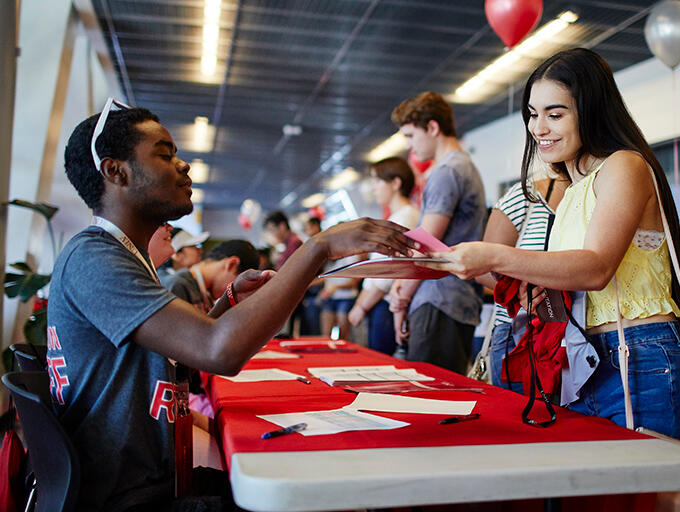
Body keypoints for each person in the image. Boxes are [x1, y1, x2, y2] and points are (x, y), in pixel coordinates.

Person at [49, 103, 415, 511]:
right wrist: (319, 247)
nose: (183, 165)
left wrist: (228, 302)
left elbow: (180, 355)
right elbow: (218, 350)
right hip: (131, 499)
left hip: (156, 480)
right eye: (165, 155)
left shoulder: (124, 256)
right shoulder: (93, 258)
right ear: (116, 171)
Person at [420, 48, 680, 444]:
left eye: (555, 114)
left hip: (640, 358)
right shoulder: (574, 190)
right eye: (533, 114)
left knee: (661, 493)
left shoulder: (625, 164)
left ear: (590, 111)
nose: (538, 127)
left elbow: (596, 267)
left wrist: (495, 255)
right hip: (586, 356)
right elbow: (573, 273)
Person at [388, 91, 487, 374]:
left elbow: (426, 244)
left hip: (440, 298)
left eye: (410, 135)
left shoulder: (447, 171)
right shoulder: (464, 166)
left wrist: (401, 296)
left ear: (432, 128)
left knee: (431, 398)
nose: (409, 146)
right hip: (454, 298)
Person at [475, 174, 568, 390]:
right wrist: (519, 291)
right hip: (520, 337)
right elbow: (482, 267)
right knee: (521, 419)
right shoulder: (526, 196)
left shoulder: (597, 195)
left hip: (578, 339)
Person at [348, 157, 420, 355]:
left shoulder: (405, 217)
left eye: (378, 181)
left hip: (386, 305)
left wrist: (361, 306)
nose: (373, 188)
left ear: (396, 183)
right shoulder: (398, 216)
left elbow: (387, 273)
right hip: (381, 303)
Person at [164, 239, 262, 314]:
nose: (233, 291)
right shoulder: (179, 285)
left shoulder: (205, 292)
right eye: (237, 283)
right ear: (231, 264)